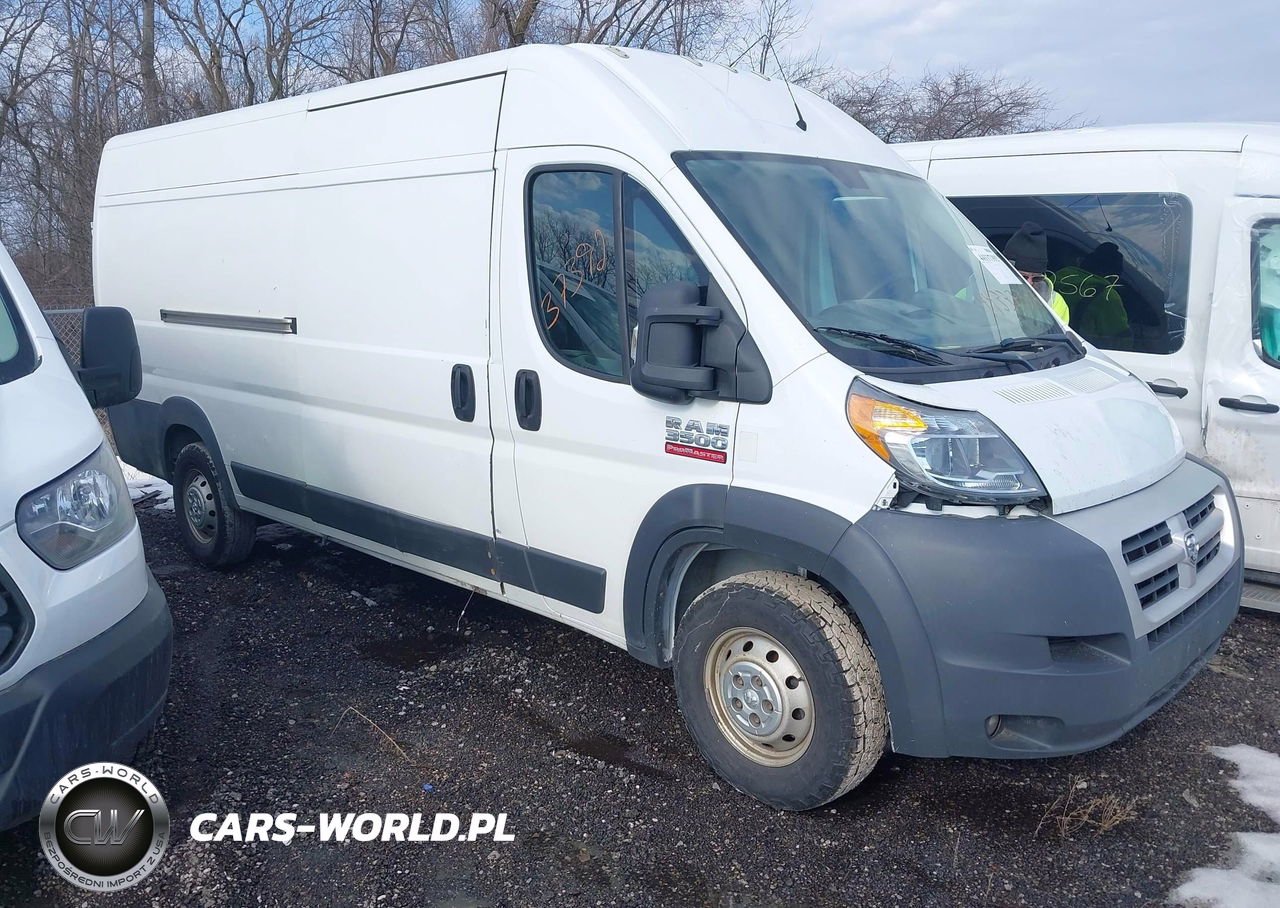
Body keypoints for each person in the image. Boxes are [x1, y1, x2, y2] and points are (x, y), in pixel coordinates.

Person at [1056, 242, 1130, 342]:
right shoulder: (1107, 297)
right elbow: (1121, 340)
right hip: (1084, 351)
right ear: (1111, 275)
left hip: (1049, 345)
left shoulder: (1055, 279)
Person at [1002, 221, 1070, 324]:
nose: (1029, 283)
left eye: (1036, 278)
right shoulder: (977, 289)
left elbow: (1056, 338)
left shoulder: (1054, 301)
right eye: (1023, 277)